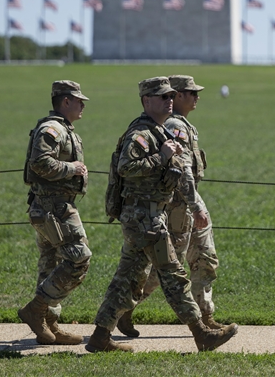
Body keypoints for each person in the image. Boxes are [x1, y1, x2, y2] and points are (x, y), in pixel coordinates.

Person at [86, 76, 238, 353]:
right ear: (147, 101)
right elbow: (126, 167)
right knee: (173, 275)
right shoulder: (141, 134)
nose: (170, 101)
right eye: (163, 97)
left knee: (125, 279)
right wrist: (162, 156)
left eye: (171, 96)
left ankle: (100, 336)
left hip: (147, 217)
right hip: (145, 218)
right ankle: (202, 334)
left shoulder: (158, 131)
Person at [18, 80, 91, 346]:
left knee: (49, 264)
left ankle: (48, 326)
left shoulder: (63, 128)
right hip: (54, 208)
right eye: (79, 100)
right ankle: (36, 309)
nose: (83, 105)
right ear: (65, 101)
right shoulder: (53, 129)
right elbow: (39, 162)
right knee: (79, 259)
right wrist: (72, 168)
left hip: (51, 207)